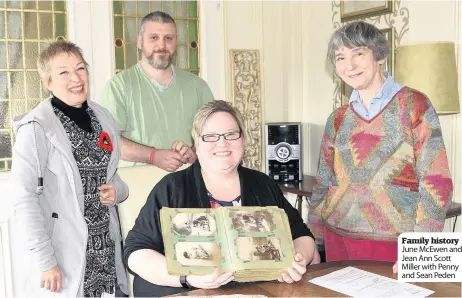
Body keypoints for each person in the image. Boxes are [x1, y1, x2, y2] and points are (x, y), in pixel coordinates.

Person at [123, 100, 320, 297]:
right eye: (210, 136)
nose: (222, 143)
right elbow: (136, 253)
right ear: (196, 144)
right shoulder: (172, 188)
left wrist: (297, 258)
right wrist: (188, 277)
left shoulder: (262, 184)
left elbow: (302, 236)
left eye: (231, 134)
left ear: (243, 140)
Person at [308, 21, 453, 272]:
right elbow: (324, 181)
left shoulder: (414, 105)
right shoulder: (338, 118)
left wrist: (420, 248)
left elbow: (436, 180)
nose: (349, 66)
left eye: (359, 54)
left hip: (395, 245)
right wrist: (314, 239)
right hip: (338, 240)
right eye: (341, 57)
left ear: (380, 56)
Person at [10, 40, 129, 297]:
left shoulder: (103, 118)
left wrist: (117, 191)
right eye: (63, 72)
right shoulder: (35, 129)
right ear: (48, 82)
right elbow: (23, 198)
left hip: (105, 252)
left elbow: (113, 175)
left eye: (80, 68)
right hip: (64, 256)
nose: (76, 78)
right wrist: (46, 261)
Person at [99, 11, 215, 171]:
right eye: (154, 38)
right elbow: (107, 141)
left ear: (176, 42)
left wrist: (194, 153)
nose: (162, 45)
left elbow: (215, 135)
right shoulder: (118, 87)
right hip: (138, 189)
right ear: (140, 41)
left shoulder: (198, 87)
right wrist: (153, 156)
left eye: (169, 38)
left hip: (186, 186)